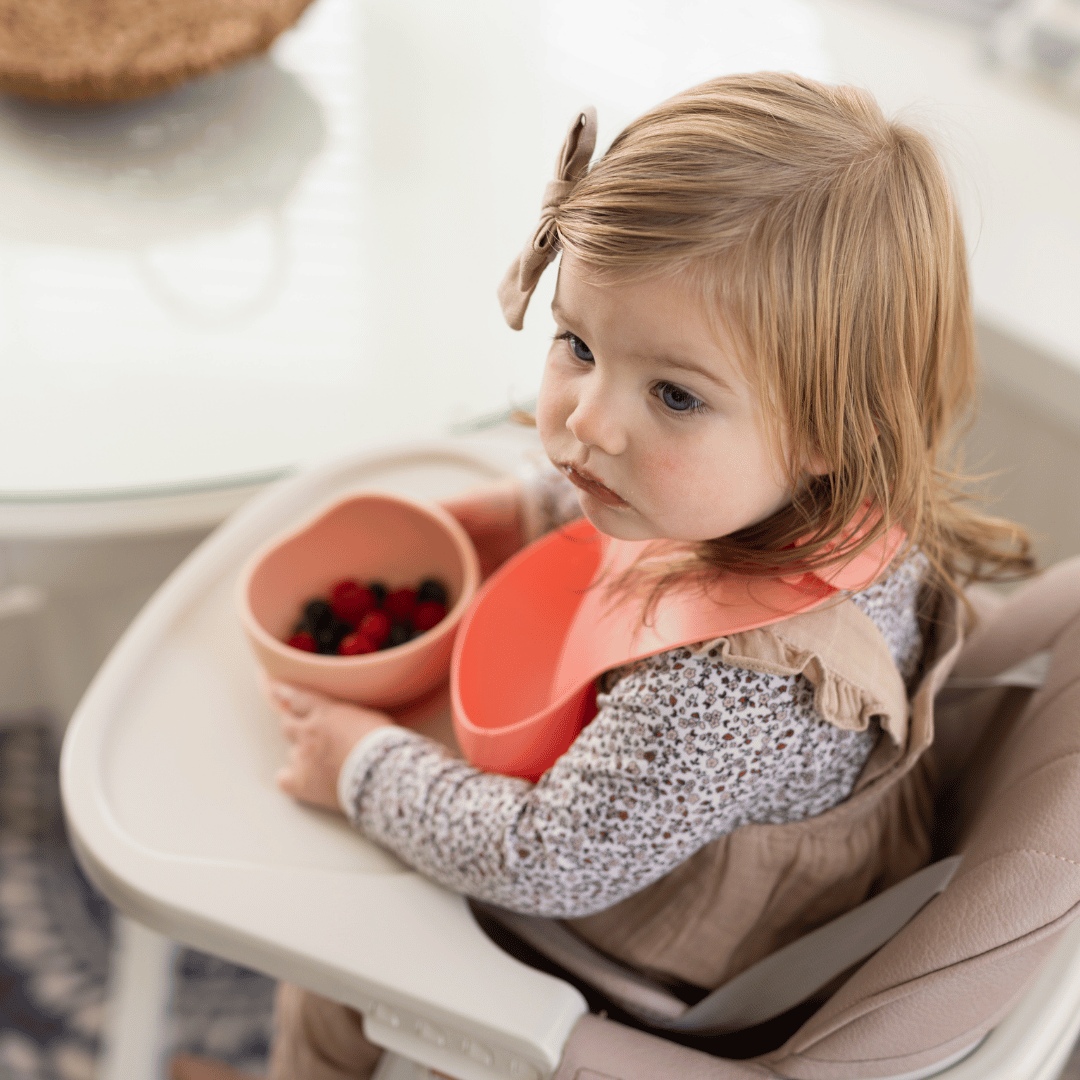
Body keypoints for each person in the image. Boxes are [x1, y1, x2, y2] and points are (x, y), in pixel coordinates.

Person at [172, 72, 1033, 1080]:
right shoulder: (786, 487)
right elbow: (658, 532)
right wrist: (523, 512)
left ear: (831, 433)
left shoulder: (738, 689)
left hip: (648, 961)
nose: (587, 422)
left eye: (673, 393)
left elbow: (551, 860)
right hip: (637, 827)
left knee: (332, 948)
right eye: (577, 343)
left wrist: (360, 766)